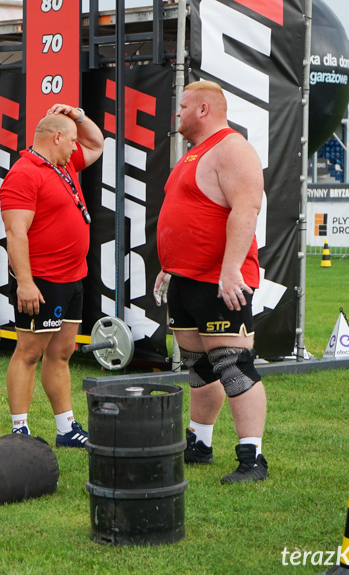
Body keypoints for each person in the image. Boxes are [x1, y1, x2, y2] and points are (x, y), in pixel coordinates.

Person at [153, 81, 268, 484]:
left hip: (219, 281)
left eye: (182, 106)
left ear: (203, 109)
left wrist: (232, 269)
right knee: (199, 367)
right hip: (185, 279)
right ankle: (199, 443)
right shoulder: (193, 155)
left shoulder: (232, 148)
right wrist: (169, 264)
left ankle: (253, 459)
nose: (177, 113)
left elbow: (247, 209)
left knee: (233, 365)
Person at [0, 103, 104, 447]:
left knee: (62, 353)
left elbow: (97, 144)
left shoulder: (64, 164)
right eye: (71, 140)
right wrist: (25, 282)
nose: (77, 147)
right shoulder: (24, 173)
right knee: (28, 353)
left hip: (73, 277)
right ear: (56, 137)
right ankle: (20, 430)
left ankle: (66, 429)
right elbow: (16, 233)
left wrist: (78, 115)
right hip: (42, 280)